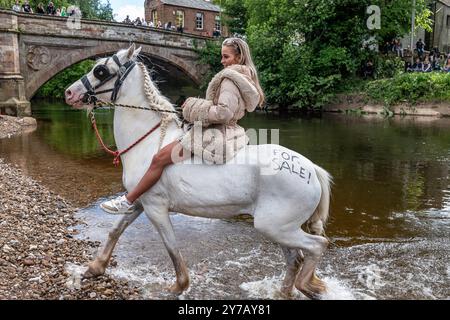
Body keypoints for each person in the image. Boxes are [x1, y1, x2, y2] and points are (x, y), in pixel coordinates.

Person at [100, 37, 265, 214]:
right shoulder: (243, 78)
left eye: (226, 57)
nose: (222, 61)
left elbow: (223, 113)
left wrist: (194, 107)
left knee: (159, 159)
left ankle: (128, 201)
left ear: (239, 58)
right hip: (227, 131)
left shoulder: (229, 80)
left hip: (215, 134)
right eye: (222, 56)